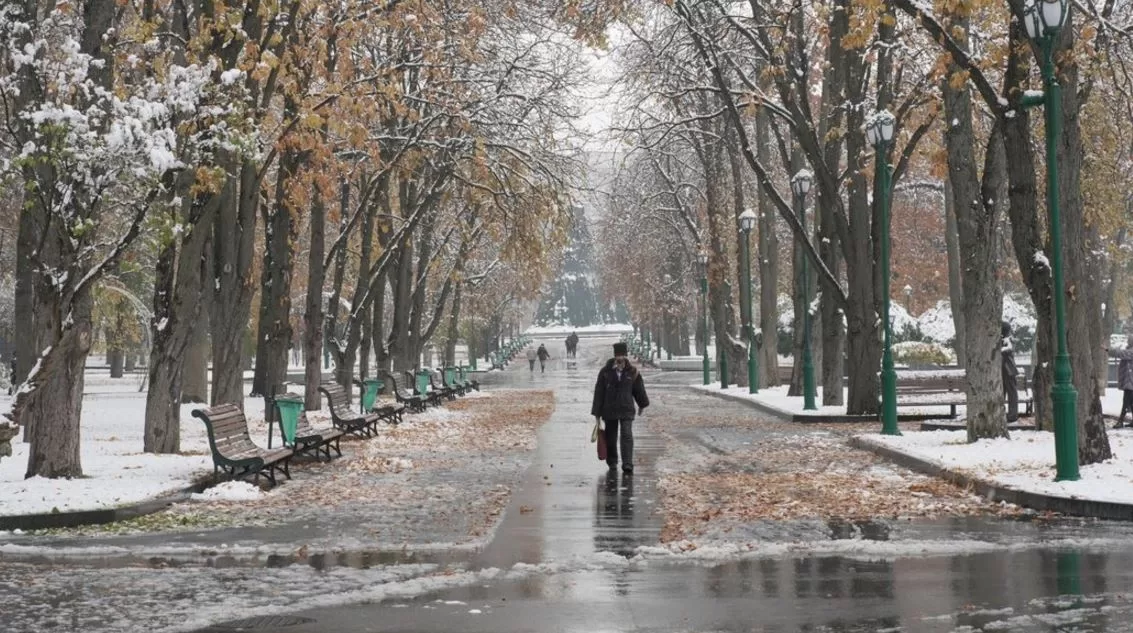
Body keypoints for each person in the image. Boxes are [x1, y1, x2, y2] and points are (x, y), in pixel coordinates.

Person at [592, 342, 649, 473]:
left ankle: (627, 463)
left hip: (626, 408)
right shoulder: (605, 372)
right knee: (611, 436)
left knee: (627, 435)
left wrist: (642, 404)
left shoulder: (632, 372)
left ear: (625, 356)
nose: (620, 358)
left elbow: (638, 389)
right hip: (609, 409)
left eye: (622, 355)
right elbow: (599, 392)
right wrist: (597, 412)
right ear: (615, 356)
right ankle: (612, 461)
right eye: (618, 355)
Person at [1109, 335, 1133, 429]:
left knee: (1126, 402)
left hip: (1130, 381)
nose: (1128, 342)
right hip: (1130, 381)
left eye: (1129, 341)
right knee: (1130, 402)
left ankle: (1120, 421)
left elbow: (1121, 353)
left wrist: (1108, 350)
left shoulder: (1131, 351)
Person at [1001, 321, 1019, 423]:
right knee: (1004, 392)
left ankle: (1012, 415)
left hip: (1008, 370)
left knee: (1011, 393)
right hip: (1006, 370)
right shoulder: (1006, 339)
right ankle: (1008, 414)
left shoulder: (1007, 341)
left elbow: (1007, 351)